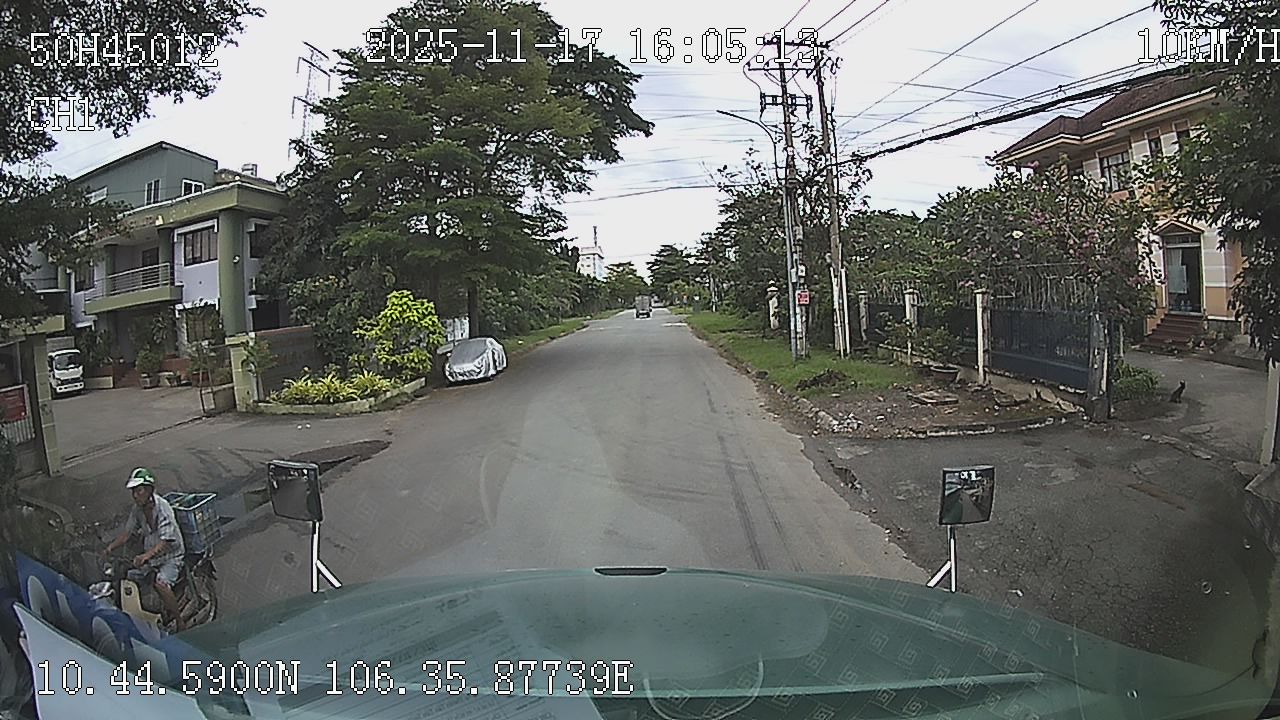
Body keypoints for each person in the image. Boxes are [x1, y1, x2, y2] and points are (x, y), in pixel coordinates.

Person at [104, 468, 187, 630]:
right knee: (130, 576)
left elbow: (165, 542)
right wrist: (110, 548)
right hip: (152, 557)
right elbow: (127, 533)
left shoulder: (163, 508)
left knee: (161, 583)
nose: (135, 495)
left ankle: (179, 621)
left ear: (149, 490)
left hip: (171, 556)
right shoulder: (137, 509)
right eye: (133, 491)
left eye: (139, 490)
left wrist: (145, 556)